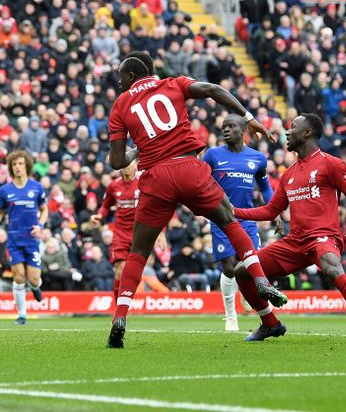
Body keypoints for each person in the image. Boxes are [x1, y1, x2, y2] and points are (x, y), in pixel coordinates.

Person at [105, 55, 286, 348]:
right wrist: (249, 117)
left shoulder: (121, 105)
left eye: (121, 76)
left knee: (138, 251)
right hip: (189, 167)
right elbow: (213, 90)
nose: (119, 81)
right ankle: (260, 278)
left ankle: (120, 316)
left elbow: (116, 161)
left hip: (156, 176)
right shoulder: (174, 83)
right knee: (229, 220)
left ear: (132, 75)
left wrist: (137, 150)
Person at [233, 114, 346, 344]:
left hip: (323, 237)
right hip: (295, 242)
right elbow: (270, 211)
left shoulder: (331, 163)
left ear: (307, 133)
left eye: (293, 127)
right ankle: (270, 324)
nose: (287, 131)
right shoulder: (289, 174)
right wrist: (232, 212)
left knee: (331, 266)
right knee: (242, 270)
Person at [202, 114, 274, 331]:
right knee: (230, 267)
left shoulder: (257, 158)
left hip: (248, 218)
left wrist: (275, 212)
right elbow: (202, 181)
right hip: (221, 218)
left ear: (243, 130)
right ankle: (230, 315)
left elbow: (265, 188)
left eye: (231, 126)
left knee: (252, 263)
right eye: (223, 127)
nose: (225, 130)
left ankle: (246, 292)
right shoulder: (212, 155)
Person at [0, 150, 48, 325]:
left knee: (33, 279)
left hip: (31, 240)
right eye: (14, 164)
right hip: (13, 240)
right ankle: (22, 315)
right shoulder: (5, 190)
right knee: (19, 277)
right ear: (11, 168)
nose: (17, 167)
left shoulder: (36, 187)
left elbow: (45, 210)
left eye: (20, 163)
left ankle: (35, 287)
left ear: (26, 165)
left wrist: (40, 225)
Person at [91, 159, 143, 300]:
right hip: (120, 233)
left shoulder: (143, 182)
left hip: (139, 233)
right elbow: (106, 205)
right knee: (120, 271)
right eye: (123, 163)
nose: (126, 166)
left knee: (133, 273)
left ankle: (125, 304)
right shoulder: (114, 185)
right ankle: (118, 308)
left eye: (129, 163)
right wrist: (99, 216)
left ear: (136, 163)